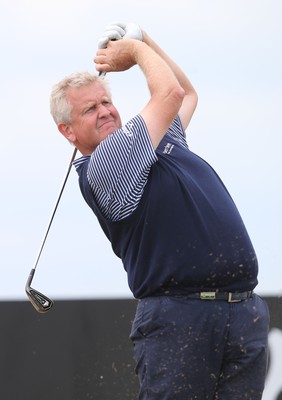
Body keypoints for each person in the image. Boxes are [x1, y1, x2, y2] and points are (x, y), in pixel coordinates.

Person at [50, 22, 269, 400]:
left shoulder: (153, 140)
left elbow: (186, 96)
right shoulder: (106, 162)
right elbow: (168, 92)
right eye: (90, 109)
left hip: (240, 310)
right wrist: (134, 53)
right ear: (68, 132)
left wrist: (143, 37)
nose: (105, 112)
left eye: (106, 102)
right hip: (180, 317)